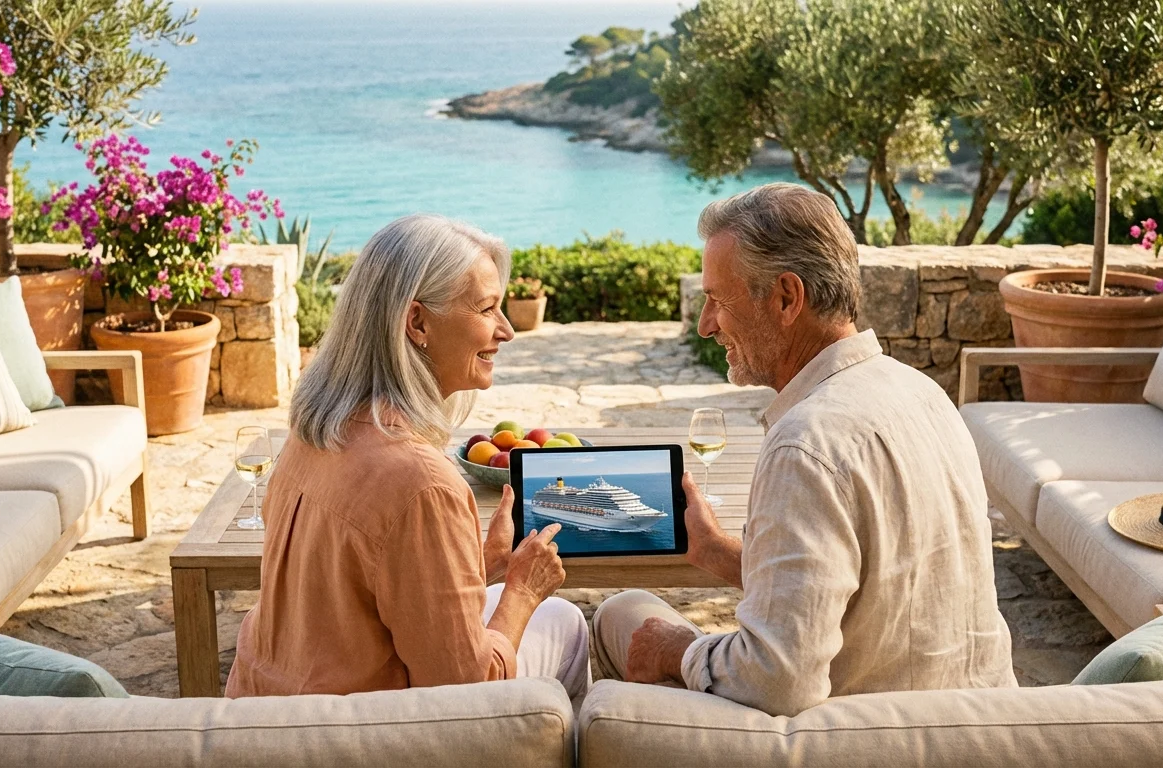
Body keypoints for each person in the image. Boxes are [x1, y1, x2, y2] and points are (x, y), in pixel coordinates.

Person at [592, 183, 1016, 717]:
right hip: (979, 723)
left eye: (717, 300)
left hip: (868, 742)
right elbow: (864, 590)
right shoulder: (924, 393)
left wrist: (676, 651)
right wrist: (716, 552)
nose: (705, 325)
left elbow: (777, 680)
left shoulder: (805, 445)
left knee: (619, 618)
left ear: (787, 297)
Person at [226, 214, 589, 699]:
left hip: (275, 711)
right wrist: (523, 591)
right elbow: (464, 690)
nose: (506, 330)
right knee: (564, 619)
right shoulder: (423, 483)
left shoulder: (314, 430)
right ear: (417, 321)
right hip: (361, 737)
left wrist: (480, 565)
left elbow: (355, 601)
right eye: (486, 309)